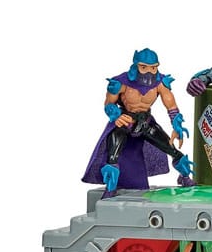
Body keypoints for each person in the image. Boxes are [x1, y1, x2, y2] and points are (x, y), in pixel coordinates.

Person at [82, 48, 194, 197]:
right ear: (136, 66)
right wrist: (116, 116)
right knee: (112, 156)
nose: (149, 72)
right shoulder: (121, 83)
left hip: (145, 123)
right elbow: (108, 104)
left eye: (153, 68)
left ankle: (185, 176)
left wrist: (176, 125)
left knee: (171, 148)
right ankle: (111, 187)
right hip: (124, 122)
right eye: (144, 67)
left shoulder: (160, 83)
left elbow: (171, 106)